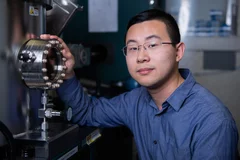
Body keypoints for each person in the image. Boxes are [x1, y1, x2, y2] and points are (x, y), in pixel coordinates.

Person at [40, 9, 239, 160]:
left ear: (178, 52)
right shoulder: (135, 101)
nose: (141, 57)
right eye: (133, 48)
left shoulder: (212, 121)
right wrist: (66, 73)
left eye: (152, 45)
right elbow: (86, 112)